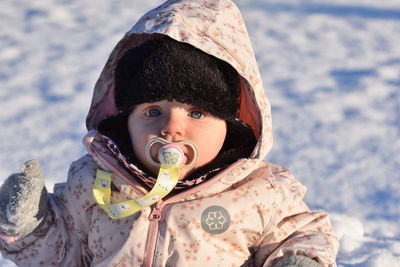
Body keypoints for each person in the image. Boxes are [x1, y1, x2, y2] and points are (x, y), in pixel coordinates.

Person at [0, 0, 339, 266]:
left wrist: (297, 260)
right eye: (152, 112)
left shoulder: (258, 192)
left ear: (231, 124)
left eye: (196, 113)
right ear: (124, 119)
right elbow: (66, 256)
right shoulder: (94, 183)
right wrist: (31, 227)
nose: (171, 127)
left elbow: (300, 234)